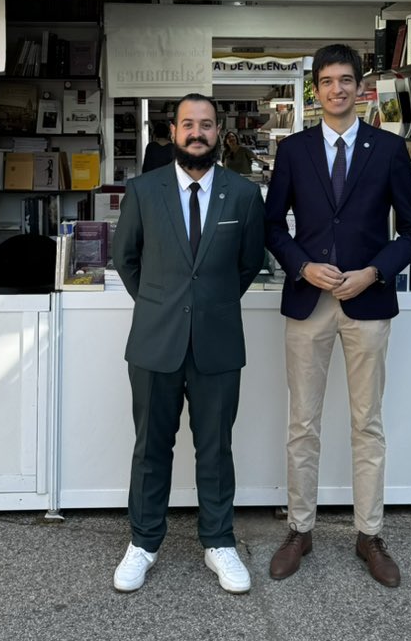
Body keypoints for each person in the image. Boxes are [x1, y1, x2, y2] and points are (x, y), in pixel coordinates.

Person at [264, 44, 411, 588]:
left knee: (367, 423)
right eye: (327, 81)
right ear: (315, 90)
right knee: (302, 424)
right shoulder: (293, 150)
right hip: (308, 303)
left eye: (346, 80)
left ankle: (370, 534)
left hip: (367, 302)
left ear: (361, 88)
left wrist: (374, 272)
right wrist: (302, 266)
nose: (337, 89)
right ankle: (299, 529)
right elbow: (271, 229)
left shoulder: (388, 149)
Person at [110, 93, 265, 594]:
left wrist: (206, 305)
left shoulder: (242, 194)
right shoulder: (143, 190)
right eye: (187, 124)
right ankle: (143, 542)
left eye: (206, 125)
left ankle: (219, 542)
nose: (196, 133)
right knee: (151, 448)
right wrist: (163, 304)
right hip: (156, 341)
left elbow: (248, 264)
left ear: (218, 133)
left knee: (215, 448)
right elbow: (126, 259)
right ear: (172, 132)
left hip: (217, 343)